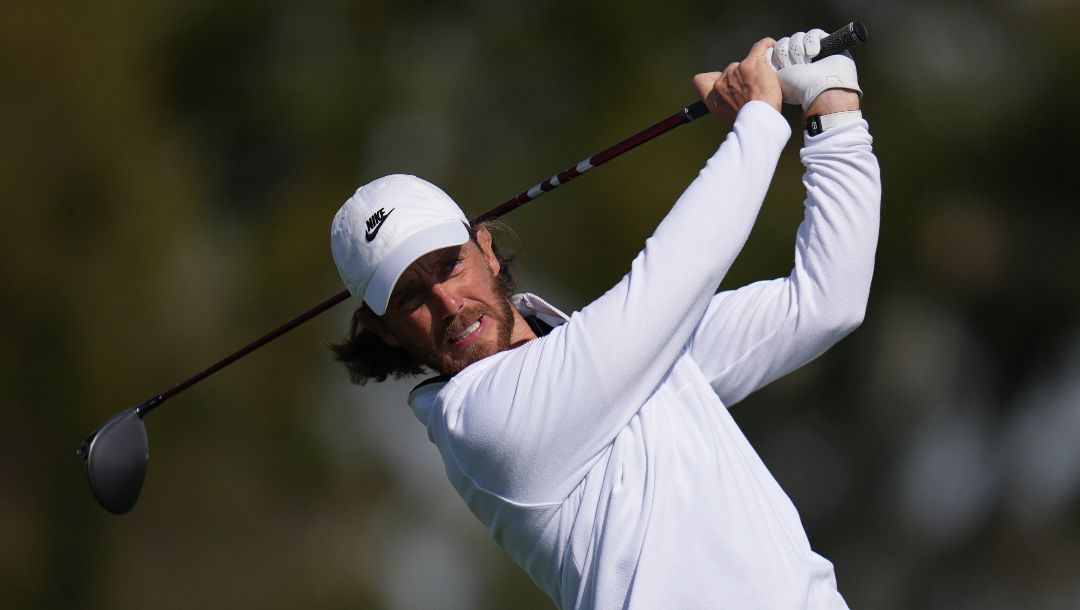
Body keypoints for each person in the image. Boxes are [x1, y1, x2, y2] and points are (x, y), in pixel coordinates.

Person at [329, 29, 879, 609]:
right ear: (383, 331)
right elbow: (671, 277)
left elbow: (824, 302)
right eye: (410, 296)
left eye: (449, 265)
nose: (448, 303)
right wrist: (759, 122)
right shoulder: (480, 422)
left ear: (485, 249)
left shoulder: (614, 356)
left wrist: (830, 104)